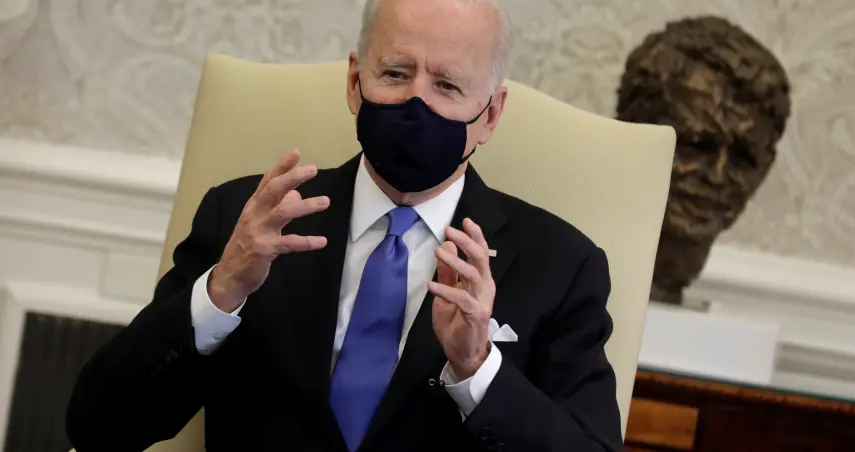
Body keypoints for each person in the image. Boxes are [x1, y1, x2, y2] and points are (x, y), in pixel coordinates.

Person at [66, 0, 622, 450]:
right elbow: (99, 428)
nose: (416, 102)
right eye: (396, 73)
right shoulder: (249, 221)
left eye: (447, 85)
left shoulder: (561, 266)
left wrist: (477, 369)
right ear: (355, 82)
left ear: (492, 114)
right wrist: (221, 290)